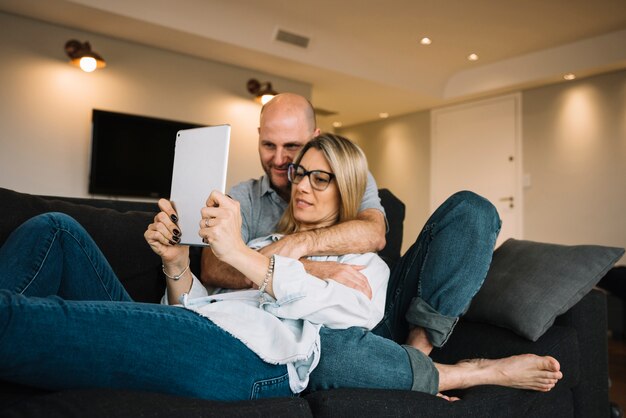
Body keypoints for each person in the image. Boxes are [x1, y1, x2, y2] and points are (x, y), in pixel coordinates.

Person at [0, 134, 561, 401]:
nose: (306, 187)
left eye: (323, 178)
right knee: (55, 229)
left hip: (244, 356)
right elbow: (197, 303)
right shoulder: (269, 237)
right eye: (300, 174)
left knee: (16, 322)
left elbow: (354, 313)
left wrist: (248, 255)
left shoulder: (362, 258)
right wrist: (176, 264)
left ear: (346, 190)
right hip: (202, 325)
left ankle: (425, 367)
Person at [201, 93, 386, 298]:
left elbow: (374, 233)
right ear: (259, 135)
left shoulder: (347, 176)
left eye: (291, 146)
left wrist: (298, 243)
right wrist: (308, 269)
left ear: (314, 138)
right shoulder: (245, 196)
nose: (279, 160)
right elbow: (214, 267)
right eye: (269, 145)